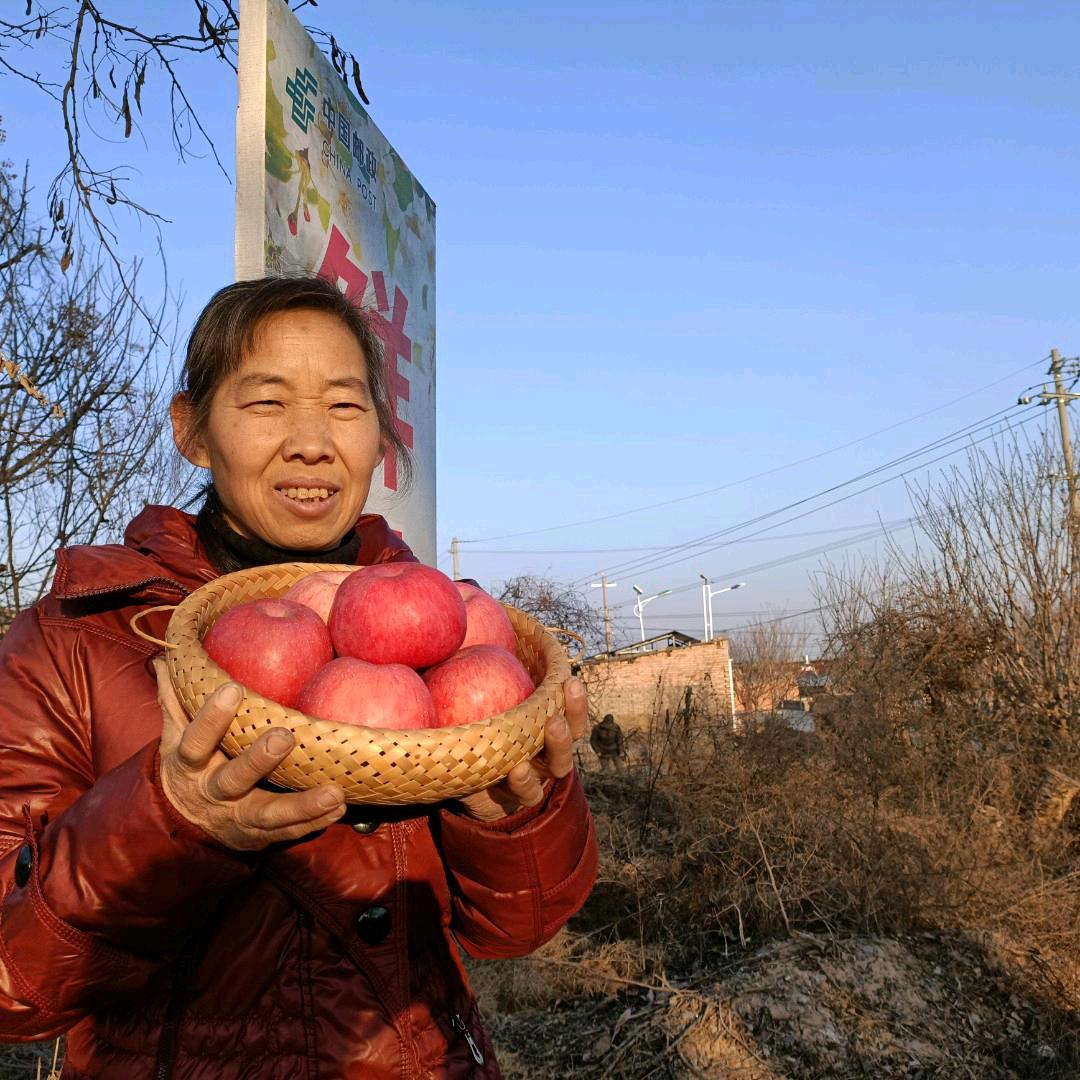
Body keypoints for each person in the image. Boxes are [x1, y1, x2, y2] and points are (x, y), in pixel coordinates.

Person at [0, 275, 598, 1078]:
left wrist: (514, 816)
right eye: (267, 402)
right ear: (193, 431)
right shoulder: (80, 640)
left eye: (346, 407)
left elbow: (517, 931)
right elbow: (14, 989)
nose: (312, 442)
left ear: (381, 438)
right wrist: (166, 820)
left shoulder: (443, 641)